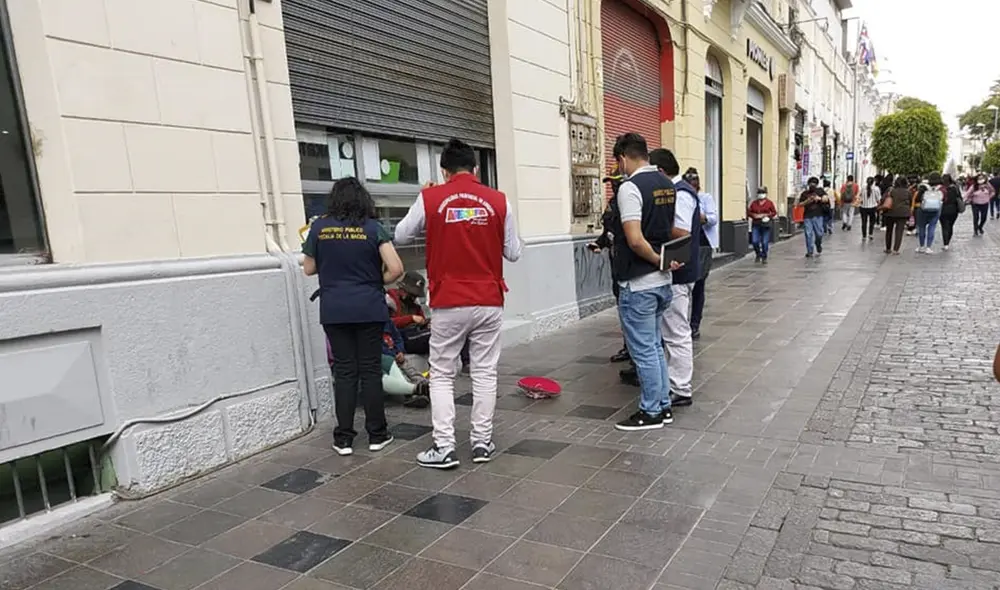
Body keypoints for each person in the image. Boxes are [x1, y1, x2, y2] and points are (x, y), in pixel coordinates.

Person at [395, 139, 522, 468]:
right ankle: (481, 443)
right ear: (477, 169)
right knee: (483, 372)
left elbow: (400, 236)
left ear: (444, 170)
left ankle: (445, 447)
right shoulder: (499, 201)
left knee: (441, 374)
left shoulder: (431, 198)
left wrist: (428, 199)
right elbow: (514, 252)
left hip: (448, 300)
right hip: (489, 300)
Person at [303, 178, 404, 456]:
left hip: (334, 309)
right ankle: (377, 435)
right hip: (368, 307)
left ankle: (344, 438)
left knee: (345, 371)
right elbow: (396, 268)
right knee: (370, 370)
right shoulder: (373, 228)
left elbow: (308, 269)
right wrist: (375, 281)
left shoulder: (319, 228)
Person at [608, 134, 683, 431]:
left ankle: (651, 411)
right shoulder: (666, 183)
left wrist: (656, 260)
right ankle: (663, 406)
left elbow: (636, 240)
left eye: (618, 162)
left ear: (624, 157)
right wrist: (666, 262)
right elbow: (669, 229)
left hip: (640, 283)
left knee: (644, 351)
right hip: (663, 283)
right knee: (653, 347)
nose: (620, 169)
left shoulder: (630, 187)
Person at [650, 149, 700, 410]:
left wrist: (652, 226)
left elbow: (680, 231)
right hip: (680, 270)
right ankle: (675, 383)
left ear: (660, 171)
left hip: (679, 272)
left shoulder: (680, 193)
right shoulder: (680, 191)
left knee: (676, 331)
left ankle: (680, 387)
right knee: (672, 330)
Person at [387, 271, 471, 369]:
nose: (413, 298)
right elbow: (387, 324)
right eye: (411, 294)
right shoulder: (390, 300)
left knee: (457, 327)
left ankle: (467, 363)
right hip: (402, 338)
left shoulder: (415, 305)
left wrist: (427, 323)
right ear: (403, 290)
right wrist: (410, 319)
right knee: (436, 334)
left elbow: (421, 322)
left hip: (416, 335)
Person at [589, 167, 631, 364]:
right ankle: (628, 347)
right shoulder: (613, 204)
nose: (613, 186)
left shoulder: (631, 202)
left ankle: (636, 355)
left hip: (631, 266)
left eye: (616, 182)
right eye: (611, 183)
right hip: (617, 265)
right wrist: (599, 243)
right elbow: (609, 232)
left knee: (633, 311)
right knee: (623, 308)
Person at [686, 168, 719, 341]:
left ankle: (694, 324)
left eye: (694, 183)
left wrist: (701, 216)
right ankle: (683, 323)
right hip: (687, 244)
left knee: (699, 285)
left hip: (703, 244)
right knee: (685, 286)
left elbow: (713, 218)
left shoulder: (705, 198)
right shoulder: (682, 197)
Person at [380, 317, 431, 408]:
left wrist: (400, 351)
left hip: (397, 354)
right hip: (387, 357)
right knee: (402, 373)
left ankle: (423, 385)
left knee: (410, 369)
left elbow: (398, 338)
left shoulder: (388, 322)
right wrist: (393, 354)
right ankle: (413, 393)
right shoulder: (370, 327)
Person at [913, 173, 944, 254]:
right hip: (936, 210)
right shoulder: (941, 188)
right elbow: (944, 198)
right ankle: (929, 247)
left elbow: (917, 198)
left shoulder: (923, 187)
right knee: (932, 227)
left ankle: (921, 246)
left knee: (922, 227)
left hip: (922, 210)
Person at [881, 175, 911, 255]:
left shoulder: (891, 190)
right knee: (899, 231)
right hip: (902, 213)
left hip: (890, 212)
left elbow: (883, 199)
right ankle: (896, 250)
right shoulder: (908, 191)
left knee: (889, 231)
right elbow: (910, 202)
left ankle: (888, 248)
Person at [747, 186, 777, 264]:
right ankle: (758, 254)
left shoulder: (769, 203)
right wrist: (754, 215)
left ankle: (764, 256)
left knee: (764, 242)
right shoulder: (754, 203)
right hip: (756, 224)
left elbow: (774, 212)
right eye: (759, 192)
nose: (761, 194)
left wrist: (766, 215)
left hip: (766, 225)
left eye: (762, 192)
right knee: (754, 241)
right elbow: (749, 212)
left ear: (766, 194)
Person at [798, 177, 828, 257]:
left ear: (817, 184)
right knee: (808, 234)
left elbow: (826, 199)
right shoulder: (804, 193)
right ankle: (810, 251)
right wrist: (807, 201)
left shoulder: (820, 191)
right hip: (807, 216)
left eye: (814, 183)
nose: (812, 185)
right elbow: (800, 204)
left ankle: (818, 243)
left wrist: (819, 198)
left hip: (818, 215)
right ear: (808, 184)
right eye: (811, 183)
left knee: (819, 233)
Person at [939, 174, 963, 251]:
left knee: (944, 227)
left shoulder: (941, 189)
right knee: (950, 226)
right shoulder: (955, 188)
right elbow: (960, 198)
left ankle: (946, 244)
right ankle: (947, 241)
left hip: (943, 209)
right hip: (954, 210)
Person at [859, 176, 881, 241]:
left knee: (864, 222)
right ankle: (870, 234)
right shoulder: (876, 188)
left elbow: (859, 195)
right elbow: (878, 199)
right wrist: (879, 204)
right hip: (873, 207)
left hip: (863, 207)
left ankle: (864, 236)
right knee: (872, 221)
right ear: (873, 182)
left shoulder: (863, 187)